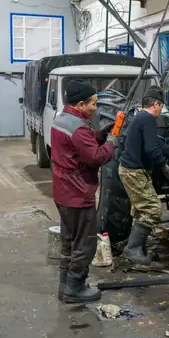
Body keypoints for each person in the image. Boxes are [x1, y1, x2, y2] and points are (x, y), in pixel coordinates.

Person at [51, 79, 118, 303]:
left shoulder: (62, 118)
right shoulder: (79, 128)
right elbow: (96, 157)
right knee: (85, 244)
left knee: (69, 242)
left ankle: (65, 285)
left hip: (63, 190)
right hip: (78, 193)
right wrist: (112, 142)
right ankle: (75, 288)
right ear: (80, 104)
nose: (95, 108)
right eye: (93, 104)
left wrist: (99, 135)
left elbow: (78, 146)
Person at [119, 86, 169, 266]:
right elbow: (152, 150)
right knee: (152, 209)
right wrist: (166, 169)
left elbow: (157, 145)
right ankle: (132, 249)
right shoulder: (148, 119)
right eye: (161, 106)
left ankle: (137, 247)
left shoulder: (140, 117)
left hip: (130, 169)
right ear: (156, 104)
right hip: (134, 171)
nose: (161, 110)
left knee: (142, 209)